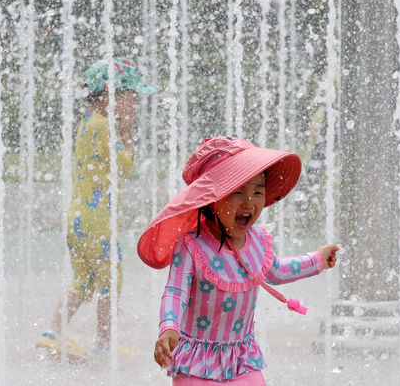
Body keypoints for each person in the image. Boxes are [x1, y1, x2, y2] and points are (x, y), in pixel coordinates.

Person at [137, 136, 339, 384]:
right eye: (237, 192)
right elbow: (175, 291)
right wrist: (169, 327)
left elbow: (276, 271)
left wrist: (317, 259)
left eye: (257, 192)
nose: (249, 202)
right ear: (211, 199)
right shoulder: (191, 246)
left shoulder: (258, 242)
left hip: (242, 358)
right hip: (197, 362)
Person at [35, 57, 156, 362]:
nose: (134, 105)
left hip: (79, 221)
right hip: (98, 223)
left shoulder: (88, 123)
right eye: (130, 97)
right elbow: (124, 165)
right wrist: (127, 132)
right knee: (110, 281)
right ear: (111, 96)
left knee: (84, 281)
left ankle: (53, 332)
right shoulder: (104, 127)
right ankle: (102, 344)